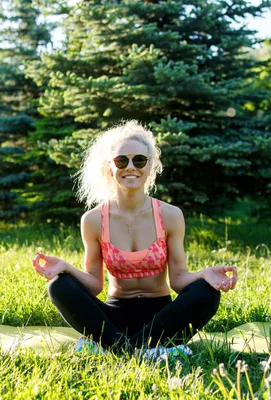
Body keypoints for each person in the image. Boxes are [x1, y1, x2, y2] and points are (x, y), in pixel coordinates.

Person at [32, 120, 238, 352]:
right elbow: (94, 284)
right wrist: (65, 268)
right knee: (58, 286)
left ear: (150, 167)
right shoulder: (93, 219)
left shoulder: (170, 215)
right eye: (122, 160)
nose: (131, 167)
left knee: (207, 292)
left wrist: (205, 274)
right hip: (113, 319)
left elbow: (178, 280)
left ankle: (124, 348)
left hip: (162, 319)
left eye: (139, 160)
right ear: (110, 167)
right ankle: (135, 349)